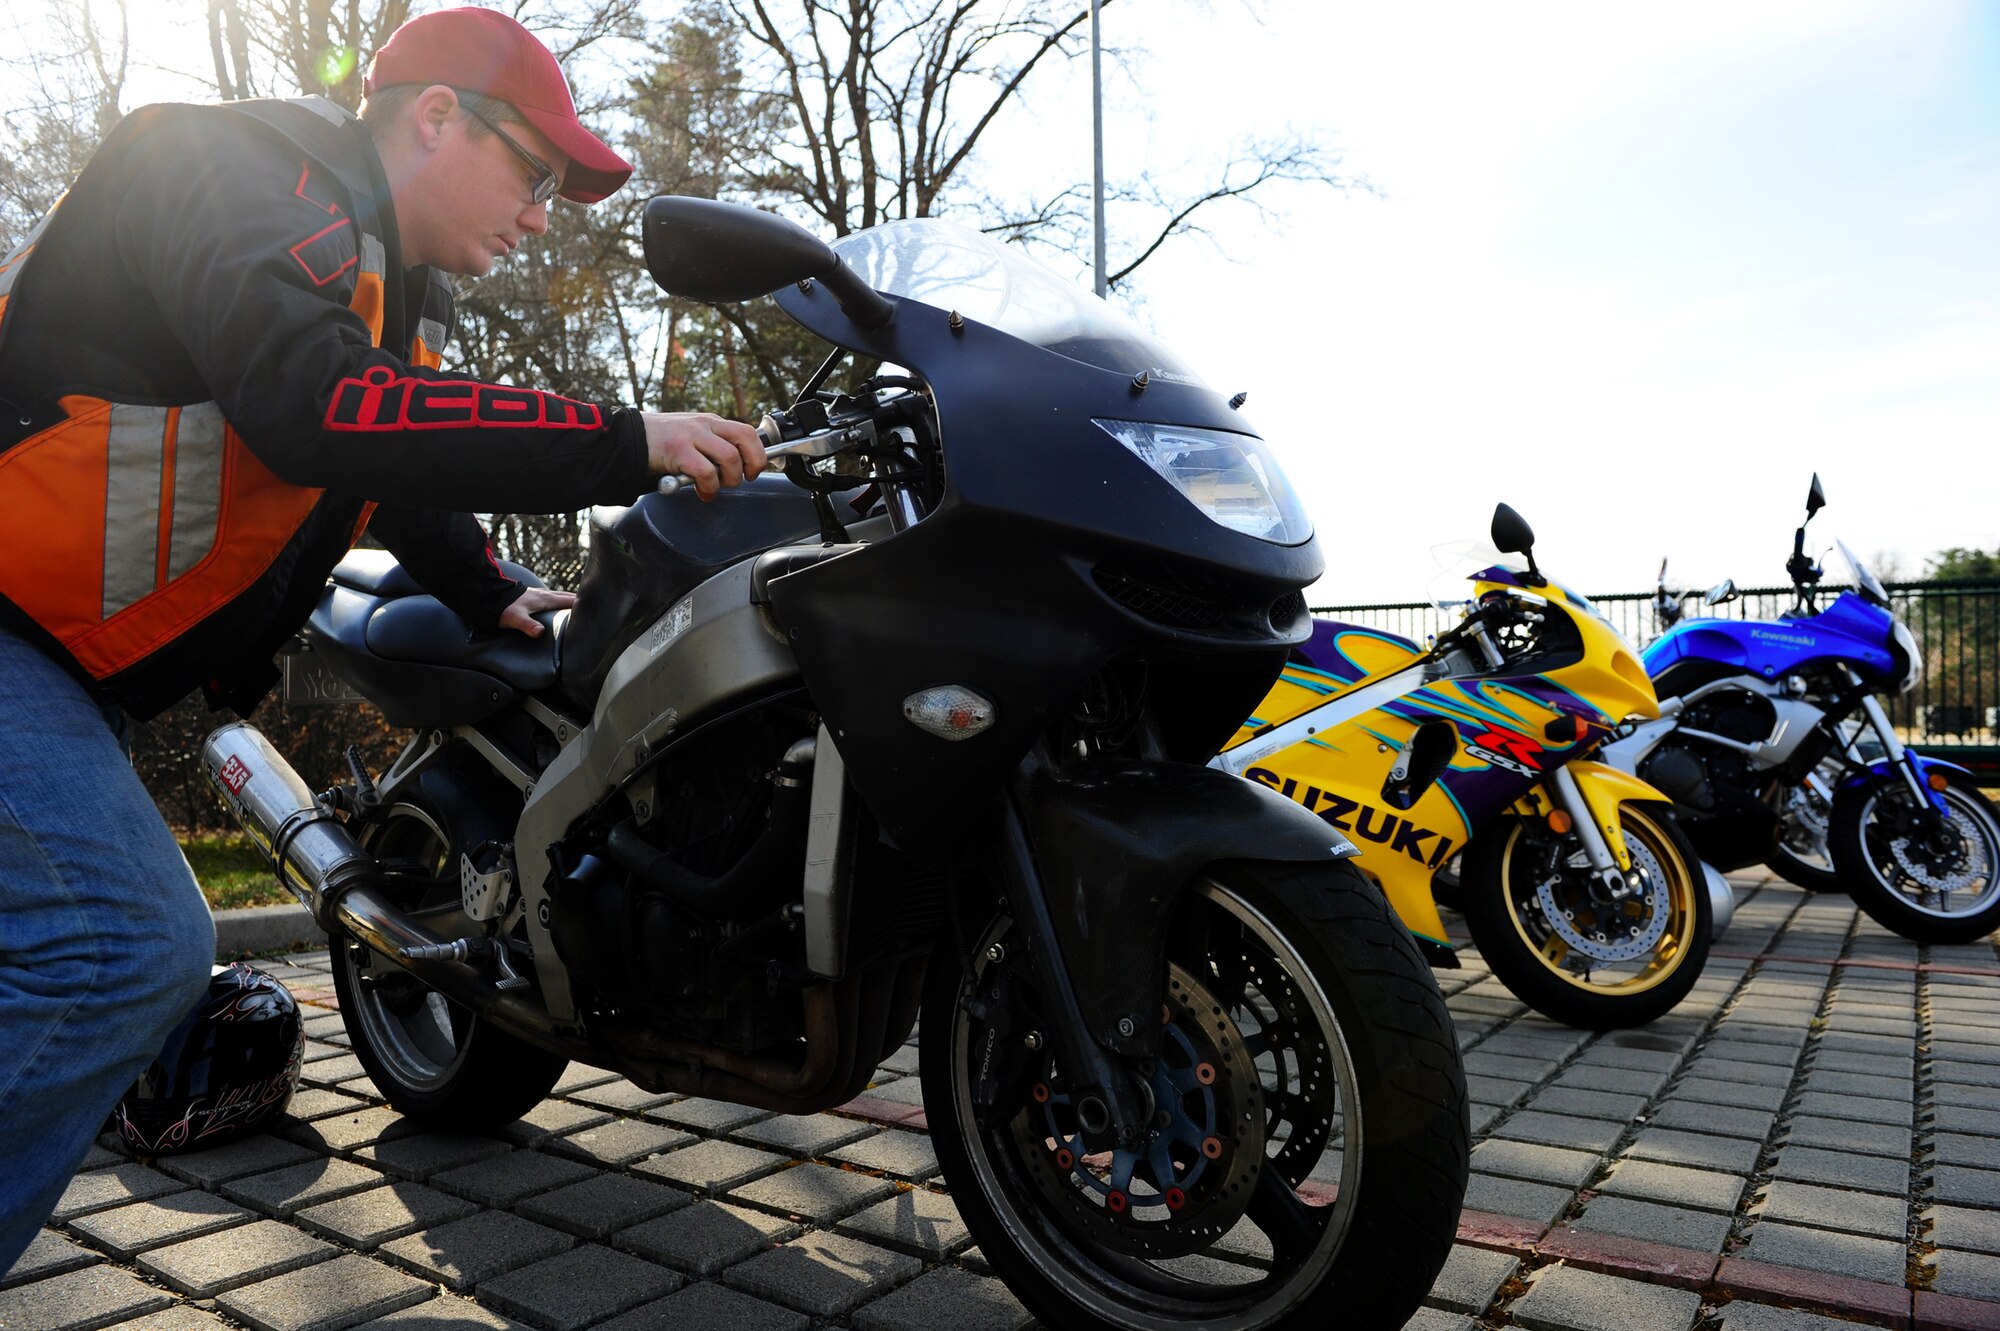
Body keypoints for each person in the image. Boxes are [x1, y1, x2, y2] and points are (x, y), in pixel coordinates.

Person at [0, 6, 764, 1265]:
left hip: (56, 670)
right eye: (532, 174)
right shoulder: (248, 175)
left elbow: (381, 459)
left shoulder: (357, 274)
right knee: (124, 942)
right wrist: (626, 438)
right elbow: (320, 408)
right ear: (433, 115)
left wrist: (484, 589)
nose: (537, 216)